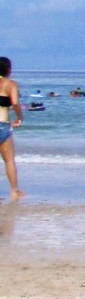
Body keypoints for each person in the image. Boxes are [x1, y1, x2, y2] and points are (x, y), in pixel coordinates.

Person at [0, 56, 22, 200]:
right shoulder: (11, 84)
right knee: (9, 160)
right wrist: (20, 117)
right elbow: (14, 102)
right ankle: (14, 191)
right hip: (2, 125)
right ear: (8, 69)